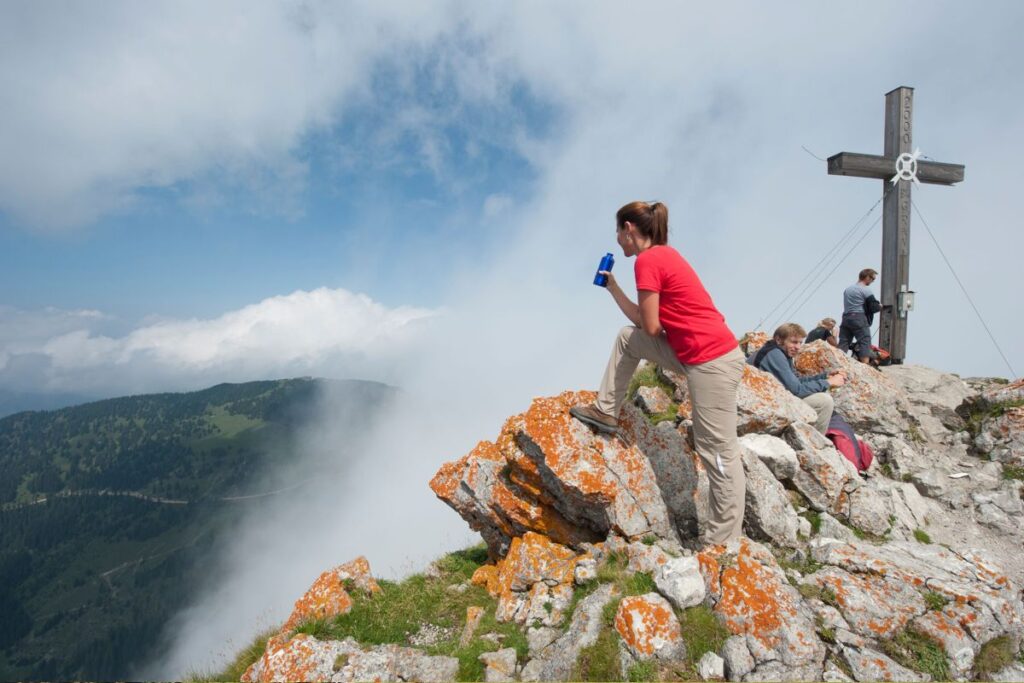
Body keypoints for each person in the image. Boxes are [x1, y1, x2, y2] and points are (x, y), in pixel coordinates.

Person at [569, 201, 746, 546]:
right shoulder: (666, 254)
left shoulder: (648, 261)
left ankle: (724, 544)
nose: (618, 240)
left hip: (711, 361)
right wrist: (614, 288)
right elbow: (648, 327)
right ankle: (607, 411)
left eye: (618, 232)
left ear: (629, 228)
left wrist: (617, 292)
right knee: (626, 339)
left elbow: (650, 326)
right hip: (693, 353)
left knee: (718, 451)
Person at [749, 323, 846, 434]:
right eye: (794, 342)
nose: (798, 347)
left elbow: (796, 380)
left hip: (771, 400)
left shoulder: (781, 352)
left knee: (822, 398)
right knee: (824, 401)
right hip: (764, 407)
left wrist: (825, 376)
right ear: (779, 340)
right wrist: (828, 382)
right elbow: (797, 390)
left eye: (800, 343)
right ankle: (816, 443)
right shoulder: (775, 354)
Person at [838, 268, 880, 363]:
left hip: (846, 317)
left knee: (844, 342)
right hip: (858, 317)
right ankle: (865, 365)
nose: (873, 281)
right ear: (867, 277)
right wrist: (880, 306)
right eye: (873, 278)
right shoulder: (865, 290)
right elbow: (874, 307)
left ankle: (838, 362)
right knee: (865, 341)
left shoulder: (847, 289)